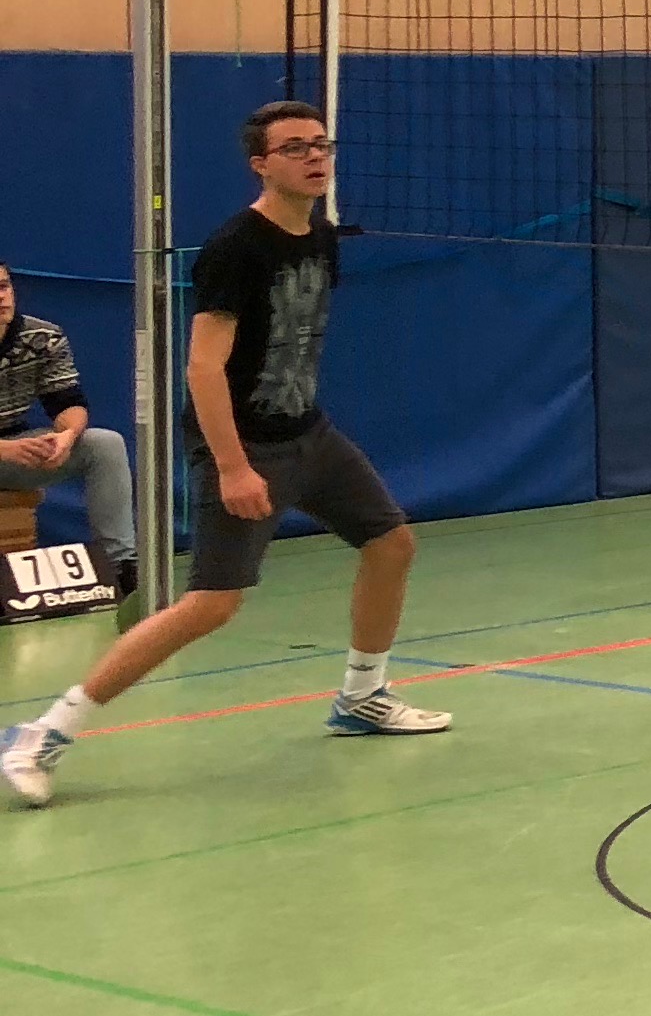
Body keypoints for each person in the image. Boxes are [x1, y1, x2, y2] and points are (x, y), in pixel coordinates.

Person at [3, 101, 445, 808]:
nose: (315, 156)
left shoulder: (320, 237)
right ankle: (43, 733)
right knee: (211, 604)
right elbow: (203, 368)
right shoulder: (236, 248)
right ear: (260, 164)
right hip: (244, 447)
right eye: (295, 147)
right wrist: (234, 466)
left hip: (310, 434)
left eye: (321, 144)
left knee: (392, 544)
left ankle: (362, 695)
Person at [0, 259, 135, 601]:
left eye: (4, 286)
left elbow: (67, 402)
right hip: (4, 451)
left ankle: (122, 567)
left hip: (12, 452)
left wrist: (66, 436)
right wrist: (4, 449)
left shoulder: (43, 337)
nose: (1, 297)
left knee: (103, 444)